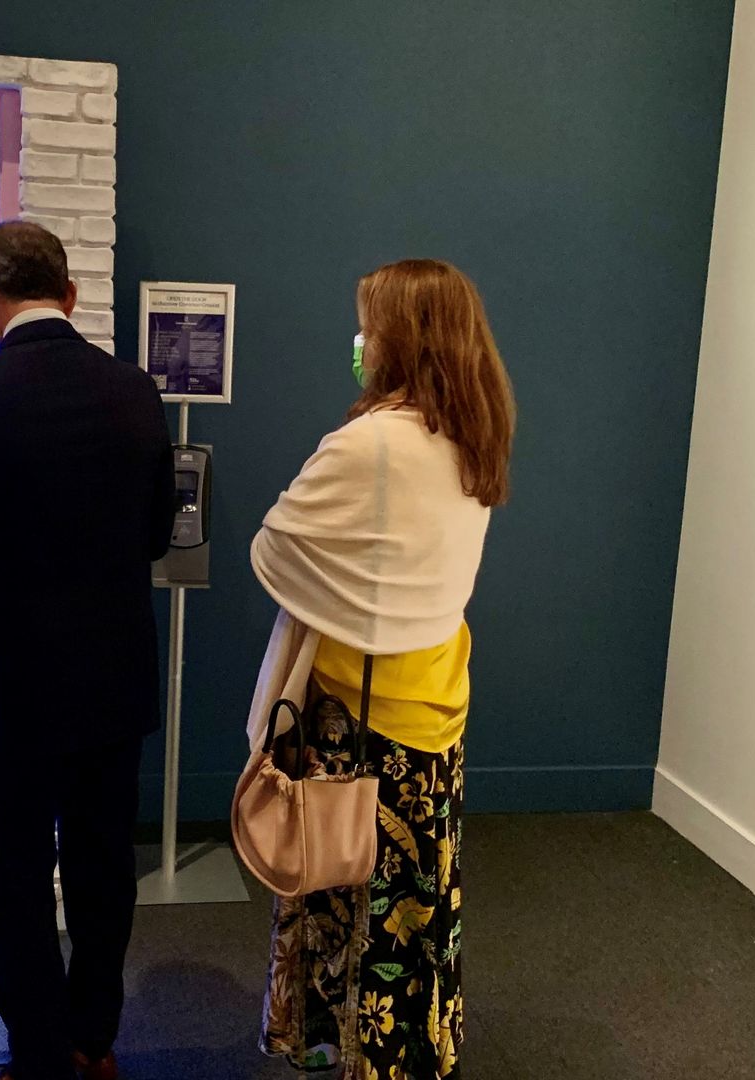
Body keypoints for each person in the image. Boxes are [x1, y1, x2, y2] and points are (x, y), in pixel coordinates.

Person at [0, 220, 174, 1080]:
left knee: (12, 884)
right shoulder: (135, 392)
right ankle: (94, 1038)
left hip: (3, 693)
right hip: (111, 684)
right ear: (72, 294)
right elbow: (158, 535)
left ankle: (41, 1055)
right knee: (101, 872)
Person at [252, 259, 514, 1080]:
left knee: (342, 890)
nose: (360, 342)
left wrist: (345, 591)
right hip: (437, 703)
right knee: (418, 901)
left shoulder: (369, 443)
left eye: (370, 325)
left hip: (356, 717)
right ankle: (413, 1050)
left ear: (400, 337)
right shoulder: (477, 434)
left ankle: (348, 1048)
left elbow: (275, 546)